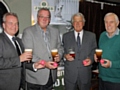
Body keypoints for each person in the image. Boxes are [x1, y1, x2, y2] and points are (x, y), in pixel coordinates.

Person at [22, 8, 63, 90]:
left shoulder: (55, 31)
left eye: (47, 17)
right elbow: (29, 54)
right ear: (37, 18)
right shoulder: (28, 32)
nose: (44, 19)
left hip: (51, 76)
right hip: (35, 79)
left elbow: (60, 47)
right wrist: (45, 63)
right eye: (42, 16)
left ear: (50, 19)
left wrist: (60, 55)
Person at [62, 12, 97, 90]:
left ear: (83, 23)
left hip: (85, 73)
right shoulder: (66, 36)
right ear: (72, 23)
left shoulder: (91, 36)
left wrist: (91, 59)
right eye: (75, 21)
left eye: (80, 21)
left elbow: (94, 51)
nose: (77, 24)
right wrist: (65, 56)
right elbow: (62, 50)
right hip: (70, 75)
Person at [0, 12, 32, 90]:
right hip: (5, 86)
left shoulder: (19, 41)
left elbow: (22, 63)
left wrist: (34, 66)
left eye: (16, 23)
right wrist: (19, 59)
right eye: (10, 23)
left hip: (20, 85)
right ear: (3, 25)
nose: (14, 26)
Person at [94, 12, 120, 90]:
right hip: (102, 77)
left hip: (116, 81)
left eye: (111, 22)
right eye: (106, 22)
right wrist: (96, 56)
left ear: (117, 23)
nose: (108, 25)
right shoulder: (102, 35)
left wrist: (111, 64)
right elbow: (102, 52)